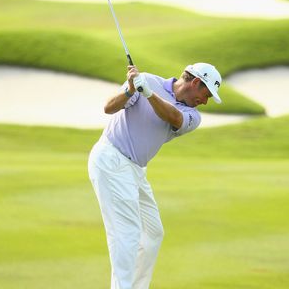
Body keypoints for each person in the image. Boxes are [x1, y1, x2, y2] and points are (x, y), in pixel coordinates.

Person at [87, 62, 222, 289]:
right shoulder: (147, 80)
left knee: (152, 232)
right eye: (206, 94)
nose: (205, 101)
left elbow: (174, 117)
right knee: (127, 234)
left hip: (136, 170)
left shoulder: (192, 116)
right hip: (111, 159)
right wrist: (130, 90)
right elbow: (109, 108)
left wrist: (147, 94)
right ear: (196, 82)